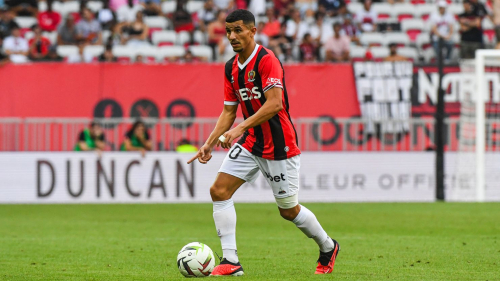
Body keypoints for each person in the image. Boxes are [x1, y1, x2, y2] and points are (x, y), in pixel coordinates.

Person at [187, 9, 339, 276]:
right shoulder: (231, 67)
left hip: (279, 146)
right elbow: (228, 111)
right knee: (219, 191)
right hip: (251, 141)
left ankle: (328, 246)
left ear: (252, 31)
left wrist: (239, 129)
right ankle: (231, 261)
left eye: (238, 30)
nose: (232, 36)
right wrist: (209, 142)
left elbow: (275, 104)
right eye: (229, 31)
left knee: (289, 211)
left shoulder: (267, 60)